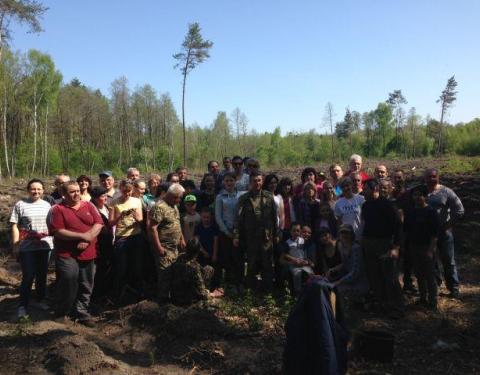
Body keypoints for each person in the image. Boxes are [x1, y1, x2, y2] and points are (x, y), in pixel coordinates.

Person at [48, 181, 103, 326]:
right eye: (72, 191)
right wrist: (81, 237)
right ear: (64, 194)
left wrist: (88, 237)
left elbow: (98, 223)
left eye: (78, 190)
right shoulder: (57, 209)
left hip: (89, 252)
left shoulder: (89, 205)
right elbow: (58, 231)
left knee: (86, 283)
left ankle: (81, 312)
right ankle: (62, 311)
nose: (76, 193)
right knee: (68, 280)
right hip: (67, 253)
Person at [10, 179, 54, 319]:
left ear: (43, 190)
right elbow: (15, 226)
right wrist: (16, 245)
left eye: (39, 189)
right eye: (33, 189)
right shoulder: (20, 204)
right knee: (28, 275)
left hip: (45, 245)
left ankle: (40, 299)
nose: (36, 191)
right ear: (28, 190)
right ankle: (23, 305)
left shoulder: (48, 205)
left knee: (42, 275)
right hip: (27, 246)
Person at [361, 179, 403, 318]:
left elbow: (398, 226)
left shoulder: (387, 205)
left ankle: (397, 307)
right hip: (369, 243)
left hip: (385, 244)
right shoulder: (366, 205)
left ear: (375, 189)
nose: (363, 191)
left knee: (389, 276)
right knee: (374, 276)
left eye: (366, 188)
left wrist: (395, 247)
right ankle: (382, 304)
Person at [233, 171, 278, 291]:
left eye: (259, 180)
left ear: (262, 181)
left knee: (267, 264)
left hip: (266, 237)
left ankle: (267, 289)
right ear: (250, 182)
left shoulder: (269, 196)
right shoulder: (244, 198)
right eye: (254, 181)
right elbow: (238, 219)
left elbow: (274, 216)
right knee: (252, 264)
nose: (257, 183)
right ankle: (251, 289)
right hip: (250, 237)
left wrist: (277, 234)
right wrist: (236, 236)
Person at [424, 168, 464, 299]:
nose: (431, 179)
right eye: (429, 176)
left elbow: (459, 210)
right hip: (428, 234)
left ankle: (454, 288)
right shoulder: (422, 192)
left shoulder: (446, 191)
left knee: (448, 261)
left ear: (438, 177)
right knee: (431, 261)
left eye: (434, 176)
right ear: (424, 178)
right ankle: (435, 284)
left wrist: (448, 225)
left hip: (444, 233)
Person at [148, 183, 186, 301]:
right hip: (164, 248)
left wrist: (182, 239)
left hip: (175, 248)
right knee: (165, 276)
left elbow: (177, 223)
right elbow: (152, 228)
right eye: (178, 197)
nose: (179, 200)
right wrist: (159, 248)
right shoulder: (160, 207)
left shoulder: (174, 206)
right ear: (171, 195)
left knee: (173, 274)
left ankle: (172, 299)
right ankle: (162, 303)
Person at [404, 185, 440, 309]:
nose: (417, 197)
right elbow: (407, 230)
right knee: (419, 274)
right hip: (414, 246)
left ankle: (433, 301)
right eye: (415, 195)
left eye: (420, 194)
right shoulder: (411, 212)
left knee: (430, 275)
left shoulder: (431, 212)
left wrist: (431, 250)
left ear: (425, 196)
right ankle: (423, 298)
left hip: (427, 247)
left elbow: (435, 234)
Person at [109, 180, 144, 300]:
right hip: (121, 237)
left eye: (129, 191)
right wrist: (120, 216)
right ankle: (117, 293)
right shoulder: (114, 202)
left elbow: (141, 220)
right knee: (121, 267)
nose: (127, 194)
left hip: (135, 235)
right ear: (120, 189)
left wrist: (136, 218)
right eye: (124, 191)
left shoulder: (137, 201)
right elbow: (111, 222)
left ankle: (136, 292)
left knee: (137, 266)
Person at [215, 172, 244, 293]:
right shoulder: (220, 197)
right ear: (223, 182)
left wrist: (237, 232)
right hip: (226, 233)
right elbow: (218, 216)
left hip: (239, 232)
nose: (229, 183)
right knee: (228, 259)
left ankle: (240, 282)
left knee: (239, 258)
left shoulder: (241, 196)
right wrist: (227, 232)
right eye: (226, 181)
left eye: (231, 180)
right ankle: (230, 284)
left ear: (235, 181)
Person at [169, 238, 221, 306]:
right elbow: (202, 293)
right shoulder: (194, 267)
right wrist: (213, 294)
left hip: (174, 296)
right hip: (187, 301)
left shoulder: (179, 258)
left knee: (208, 269)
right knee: (209, 270)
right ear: (198, 252)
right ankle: (202, 299)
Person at [328, 224, 369, 301]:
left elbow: (355, 273)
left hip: (359, 283)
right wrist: (332, 269)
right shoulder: (343, 247)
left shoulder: (356, 248)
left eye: (347, 233)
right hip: (349, 280)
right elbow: (344, 264)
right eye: (342, 232)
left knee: (336, 289)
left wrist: (338, 282)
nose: (344, 235)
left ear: (352, 234)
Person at [90, 186, 114, 301]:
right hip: (99, 244)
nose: (105, 198)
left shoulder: (106, 207)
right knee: (99, 270)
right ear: (94, 198)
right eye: (102, 196)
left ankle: (104, 293)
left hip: (108, 242)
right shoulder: (92, 210)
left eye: (106, 195)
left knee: (106, 268)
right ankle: (96, 296)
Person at [280, 222, 314, 295]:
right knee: (297, 275)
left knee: (311, 274)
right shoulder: (287, 243)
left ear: (300, 231)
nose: (296, 232)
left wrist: (307, 262)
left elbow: (307, 254)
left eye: (298, 231)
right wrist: (293, 261)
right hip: (294, 265)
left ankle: (311, 293)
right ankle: (297, 294)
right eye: (294, 230)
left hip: (303, 263)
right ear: (290, 231)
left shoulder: (303, 241)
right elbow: (282, 258)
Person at [194, 207, 220, 288]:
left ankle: (214, 287)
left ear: (211, 217)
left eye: (208, 217)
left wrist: (214, 254)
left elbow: (216, 241)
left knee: (214, 270)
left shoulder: (214, 227)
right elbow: (197, 241)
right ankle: (203, 287)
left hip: (212, 252)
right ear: (201, 217)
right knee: (202, 270)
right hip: (202, 254)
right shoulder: (198, 227)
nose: (206, 219)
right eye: (204, 217)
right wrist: (203, 252)